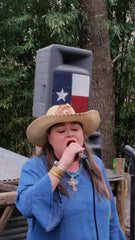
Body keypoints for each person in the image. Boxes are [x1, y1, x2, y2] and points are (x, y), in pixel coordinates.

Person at [16, 103, 126, 240]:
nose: (70, 134)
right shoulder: (34, 167)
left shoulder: (95, 165)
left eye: (75, 129)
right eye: (61, 131)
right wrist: (61, 167)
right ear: (49, 138)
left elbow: (112, 220)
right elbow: (26, 206)